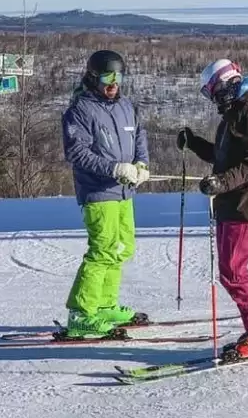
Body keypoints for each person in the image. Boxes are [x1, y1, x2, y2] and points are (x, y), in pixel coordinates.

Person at [176, 58, 248, 359]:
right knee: (231, 272)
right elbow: (222, 156)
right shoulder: (233, 114)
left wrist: (222, 182)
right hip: (229, 203)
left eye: (213, 91)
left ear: (226, 85)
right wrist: (194, 143)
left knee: (235, 272)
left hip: (244, 202)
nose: (213, 98)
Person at [61, 49, 150, 338]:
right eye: (107, 78)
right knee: (102, 251)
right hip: (98, 191)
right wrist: (114, 168)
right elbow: (76, 153)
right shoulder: (80, 110)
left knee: (122, 248)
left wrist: (141, 163)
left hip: (125, 191)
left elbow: (139, 136)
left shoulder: (125, 105)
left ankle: (104, 305)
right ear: (92, 77)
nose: (113, 84)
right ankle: (81, 313)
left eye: (118, 77)